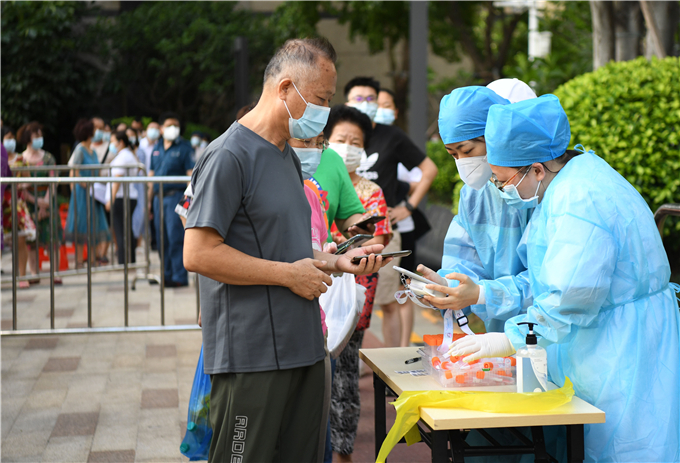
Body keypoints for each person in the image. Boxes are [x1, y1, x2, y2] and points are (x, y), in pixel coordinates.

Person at [431, 95, 680, 462]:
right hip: (600, 340)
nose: (501, 190)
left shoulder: (578, 199)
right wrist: (485, 294)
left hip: (623, 344)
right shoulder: (567, 185)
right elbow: (545, 278)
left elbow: (569, 297)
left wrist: (510, 337)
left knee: (625, 446)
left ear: (536, 169)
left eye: (503, 181)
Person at [183, 37, 390, 463]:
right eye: (320, 99)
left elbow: (291, 247)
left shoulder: (287, 157)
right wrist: (286, 275)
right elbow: (199, 254)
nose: (325, 112)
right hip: (252, 355)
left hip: (307, 347)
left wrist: (336, 261)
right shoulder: (227, 156)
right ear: (284, 88)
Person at [418, 86, 535, 334]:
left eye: (468, 151)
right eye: (453, 154)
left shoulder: (536, 188)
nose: (463, 162)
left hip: (546, 332)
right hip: (501, 331)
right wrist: (447, 286)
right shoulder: (473, 195)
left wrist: (483, 293)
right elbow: (463, 258)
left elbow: (552, 285)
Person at [345, 76, 438, 348]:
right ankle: (353, 364)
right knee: (347, 303)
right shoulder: (341, 135)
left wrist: (407, 207)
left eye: (370, 99)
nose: (365, 105)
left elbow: (429, 169)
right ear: (347, 102)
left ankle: (392, 365)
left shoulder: (391, 135)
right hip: (342, 235)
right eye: (358, 99)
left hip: (382, 235)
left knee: (388, 301)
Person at [325, 105, 392, 463]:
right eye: (341, 139)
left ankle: (343, 452)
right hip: (315, 289)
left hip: (354, 294)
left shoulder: (371, 192)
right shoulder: (313, 183)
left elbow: (377, 239)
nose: (348, 147)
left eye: (356, 142)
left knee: (346, 377)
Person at [148, 112, 194, 287]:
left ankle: (179, 276)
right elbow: (151, 176)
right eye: (169, 125)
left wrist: (186, 204)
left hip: (177, 197)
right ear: (161, 128)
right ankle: (165, 274)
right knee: (161, 238)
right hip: (159, 198)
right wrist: (149, 202)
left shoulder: (184, 147)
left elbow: (191, 177)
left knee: (175, 237)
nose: (173, 128)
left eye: (176, 125)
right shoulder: (157, 147)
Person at [17, 121, 64, 282]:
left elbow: (53, 180)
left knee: (52, 239)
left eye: (40, 136)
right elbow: (20, 186)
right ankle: (34, 273)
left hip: (48, 200)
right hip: (29, 202)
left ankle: (55, 273)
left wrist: (45, 201)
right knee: (32, 240)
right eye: (36, 136)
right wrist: (35, 201)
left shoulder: (49, 157)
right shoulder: (20, 159)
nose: (40, 138)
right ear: (28, 138)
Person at [64, 119, 112, 268]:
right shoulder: (79, 150)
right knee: (81, 226)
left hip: (94, 193)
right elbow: (74, 173)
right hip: (82, 192)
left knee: (94, 225)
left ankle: (92, 259)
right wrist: (87, 185)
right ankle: (79, 261)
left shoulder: (92, 151)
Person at [1, 127, 36, 288]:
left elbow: (28, 180)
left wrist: (19, 185)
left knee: (21, 239)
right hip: (3, 202)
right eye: (8, 138)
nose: (11, 141)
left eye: (12, 138)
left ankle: (22, 276)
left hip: (16, 203)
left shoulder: (20, 159)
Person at [105, 131, 139, 266]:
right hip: (127, 197)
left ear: (121, 142)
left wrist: (110, 199)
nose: (111, 144)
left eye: (113, 141)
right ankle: (129, 260)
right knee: (126, 230)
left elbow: (117, 179)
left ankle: (124, 261)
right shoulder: (127, 155)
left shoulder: (124, 156)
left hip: (121, 198)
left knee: (120, 231)